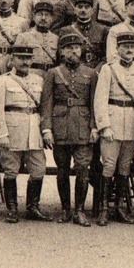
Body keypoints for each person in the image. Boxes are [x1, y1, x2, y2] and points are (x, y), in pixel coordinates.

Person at [0, 44, 49, 225]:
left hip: (33, 130)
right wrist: (1, 135)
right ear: (12, 60)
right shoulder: (2, 81)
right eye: (21, 58)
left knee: (39, 169)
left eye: (28, 58)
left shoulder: (39, 80)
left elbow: (43, 108)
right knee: (10, 170)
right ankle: (12, 210)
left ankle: (32, 207)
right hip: (12, 131)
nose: (25, 61)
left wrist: (45, 130)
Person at [93, 30, 134, 226]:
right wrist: (104, 126)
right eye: (125, 46)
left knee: (125, 165)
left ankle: (120, 207)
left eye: (132, 47)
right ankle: (104, 208)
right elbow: (100, 100)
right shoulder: (109, 69)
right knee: (109, 164)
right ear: (117, 48)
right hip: (113, 120)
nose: (129, 50)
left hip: (131, 122)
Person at [45, 31, 99, 225]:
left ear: (81, 50)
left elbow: (95, 104)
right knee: (62, 169)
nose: (73, 52)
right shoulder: (53, 73)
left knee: (83, 169)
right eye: (69, 48)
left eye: (76, 48)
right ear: (62, 52)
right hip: (60, 125)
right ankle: (66, 210)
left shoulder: (91, 73)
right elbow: (47, 103)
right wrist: (47, 129)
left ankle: (79, 211)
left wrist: (94, 127)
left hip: (83, 126)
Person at [67, 0, 107, 69]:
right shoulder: (67, 30)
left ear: (92, 10)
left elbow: (105, 56)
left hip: (97, 71)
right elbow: (64, 57)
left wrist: (96, 71)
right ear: (74, 10)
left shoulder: (103, 30)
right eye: (80, 6)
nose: (83, 10)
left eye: (86, 7)